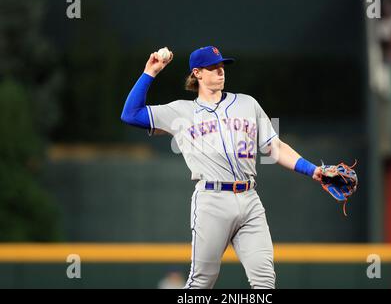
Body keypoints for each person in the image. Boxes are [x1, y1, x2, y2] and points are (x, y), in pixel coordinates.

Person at [121, 46, 323, 289]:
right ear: (197, 73)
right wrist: (149, 72)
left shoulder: (248, 104)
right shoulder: (181, 112)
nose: (220, 71)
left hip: (250, 200)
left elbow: (275, 147)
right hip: (212, 200)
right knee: (201, 282)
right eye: (212, 67)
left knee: (265, 282)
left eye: (221, 66)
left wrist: (313, 170)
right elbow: (130, 114)